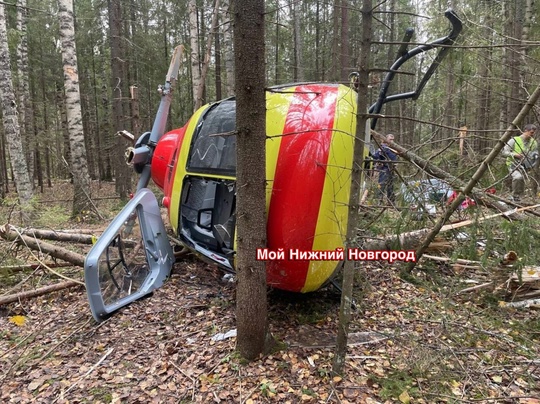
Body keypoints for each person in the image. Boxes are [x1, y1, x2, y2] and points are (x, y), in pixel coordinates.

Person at [502, 123, 538, 202]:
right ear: (525, 131)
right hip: (513, 164)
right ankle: (515, 196)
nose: (533, 135)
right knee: (518, 177)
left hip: (525, 166)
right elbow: (504, 152)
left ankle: (517, 198)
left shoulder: (534, 143)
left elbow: (535, 154)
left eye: (534, 133)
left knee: (521, 181)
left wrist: (533, 161)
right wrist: (514, 155)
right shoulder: (514, 140)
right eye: (531, 132)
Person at [373, 134, 398, 204]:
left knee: (391, 186)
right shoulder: (383, 148)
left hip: (392, 169)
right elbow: (375, 156)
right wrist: (380, 162)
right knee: (381, 185)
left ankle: (391, 202)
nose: (392, 141)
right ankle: (379, 202)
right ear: (386, 140)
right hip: (384, 169)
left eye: (393, 140)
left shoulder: (393, 149)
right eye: (390, 140)